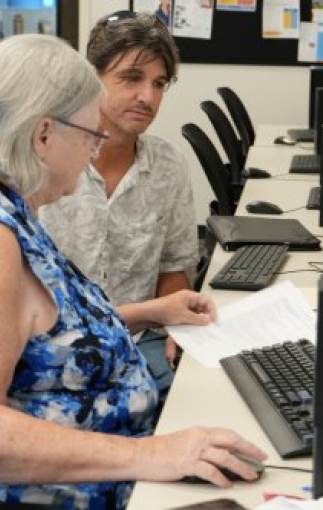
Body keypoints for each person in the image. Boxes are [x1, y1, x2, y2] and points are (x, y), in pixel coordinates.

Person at [0, 34, 266, 509]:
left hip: (127, 461)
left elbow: (50, 340)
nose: (93, 153)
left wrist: (152, 310)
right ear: (43, 136)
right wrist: (152, 452)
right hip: (93, 486)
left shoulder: (20, 215)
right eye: (89, 136)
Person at [39, 11, 199, 407]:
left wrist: (177, 322)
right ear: (91, 79)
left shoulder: (169, 165)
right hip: (57, 350)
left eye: (159, 84)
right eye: (132, 78)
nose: (148, 96)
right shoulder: (46, 168)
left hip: (141, 345)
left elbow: (174, 267)